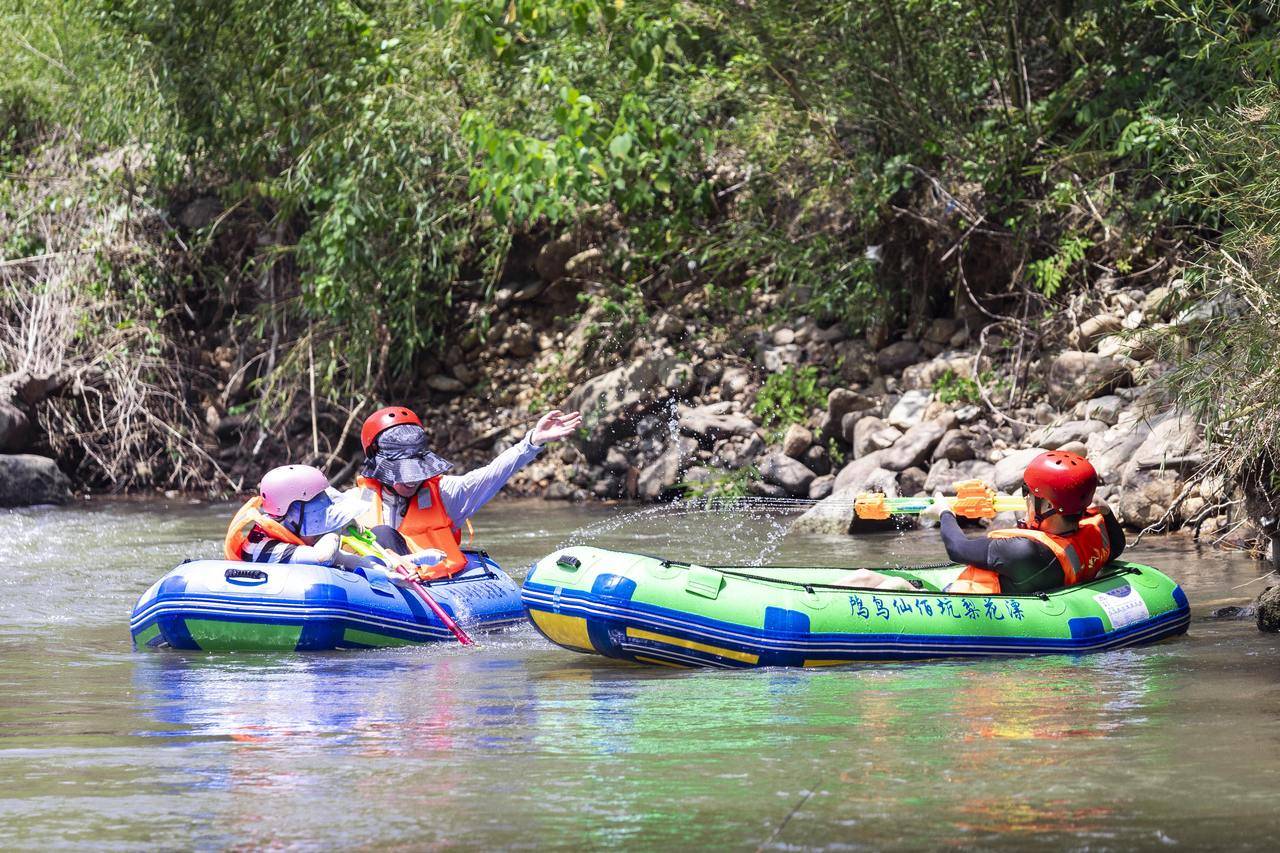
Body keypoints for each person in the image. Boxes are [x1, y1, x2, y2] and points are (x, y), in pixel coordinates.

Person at [355, 406, 582, 579]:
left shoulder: (447, 493)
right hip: (385, 582)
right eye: (402, 472)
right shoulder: (355, 503)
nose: (412, 479)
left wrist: (532, 442)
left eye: (416, 470)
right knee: (382, 534)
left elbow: (492, 474)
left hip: (436, 588)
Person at [938, 450, 1125, 595]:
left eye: (1028, 492)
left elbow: (957, 548)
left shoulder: (1024, 550)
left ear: (1049, 505)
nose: (1026, 499)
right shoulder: (1100, 536)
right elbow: (1118, 545)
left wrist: (944, 512)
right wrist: (1107, 512)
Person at [224, 465, 373, 568]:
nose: (321, 530)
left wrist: (384, 571)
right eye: (318, 522)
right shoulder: (262, 547)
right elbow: (323, 558)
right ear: (291, 519)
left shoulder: (294, 535)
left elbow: (344, 559)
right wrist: (335, 529)